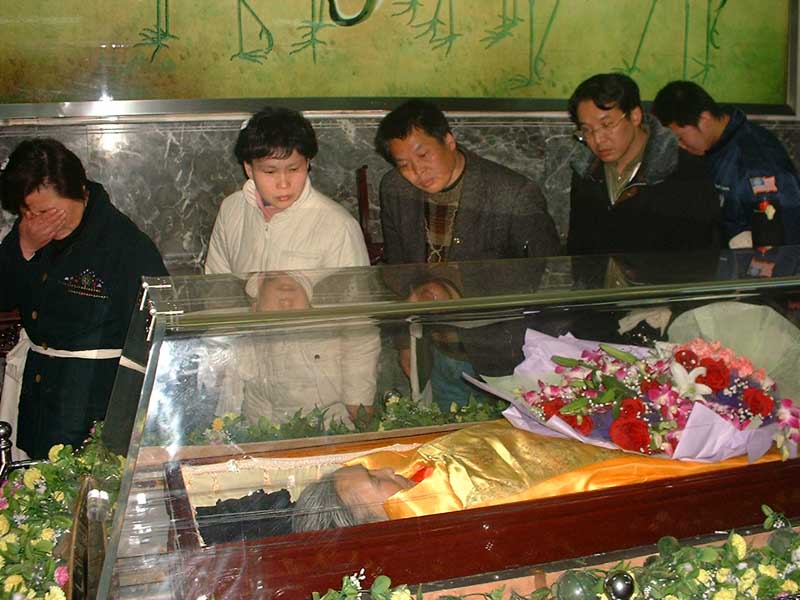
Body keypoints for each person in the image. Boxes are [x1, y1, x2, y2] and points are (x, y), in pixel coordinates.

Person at [290, 419, 775, 533]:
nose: (386, 471)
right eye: (378, 484)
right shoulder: (448, 512)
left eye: (370, 469)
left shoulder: (416, 466)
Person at [0, 138, 167, 459]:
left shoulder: (126, 245)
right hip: (38, 396)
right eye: (27, 211)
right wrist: (25, 248)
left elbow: (157, 333)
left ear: (80, 191)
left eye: (48, 211)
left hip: (94, 403)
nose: (39, 220)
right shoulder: (30, 229)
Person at [374, 99, 561, 265]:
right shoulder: (395, 187)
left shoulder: (515, 195)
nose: (418, 170)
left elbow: (547, 271)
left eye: (423, 155)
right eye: (404, 165)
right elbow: (397, 268)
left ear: (449, 142)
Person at [567, 73, 721, 258]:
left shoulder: (685, 173)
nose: (598, 139)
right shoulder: (586, 172)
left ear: (635, 116)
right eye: (587, 130)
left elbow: (700, 259)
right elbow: (578, 250)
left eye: (607, 125)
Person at [205, 106, 369, 274]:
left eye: (293, 169)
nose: (283, 184)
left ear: (307, 163)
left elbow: (356, 289)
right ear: (249, 169)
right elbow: (218, 282)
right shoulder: (232, 209)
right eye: (270, 172)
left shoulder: (339, 227)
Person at [652, 80, 800, 248]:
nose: (680, 146)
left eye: (680, 138)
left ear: (704, 118)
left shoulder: (756, 159)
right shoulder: (714, 147)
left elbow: (787, 234)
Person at [226, 272, 379, 425]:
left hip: (332, 421)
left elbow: (361, 335)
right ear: (255, 306)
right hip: (277, 427)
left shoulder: (324, 325)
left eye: (296, 282)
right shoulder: (253, 338)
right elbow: (248, 388)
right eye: (272, 280)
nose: (285, 290)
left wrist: (358, 399)